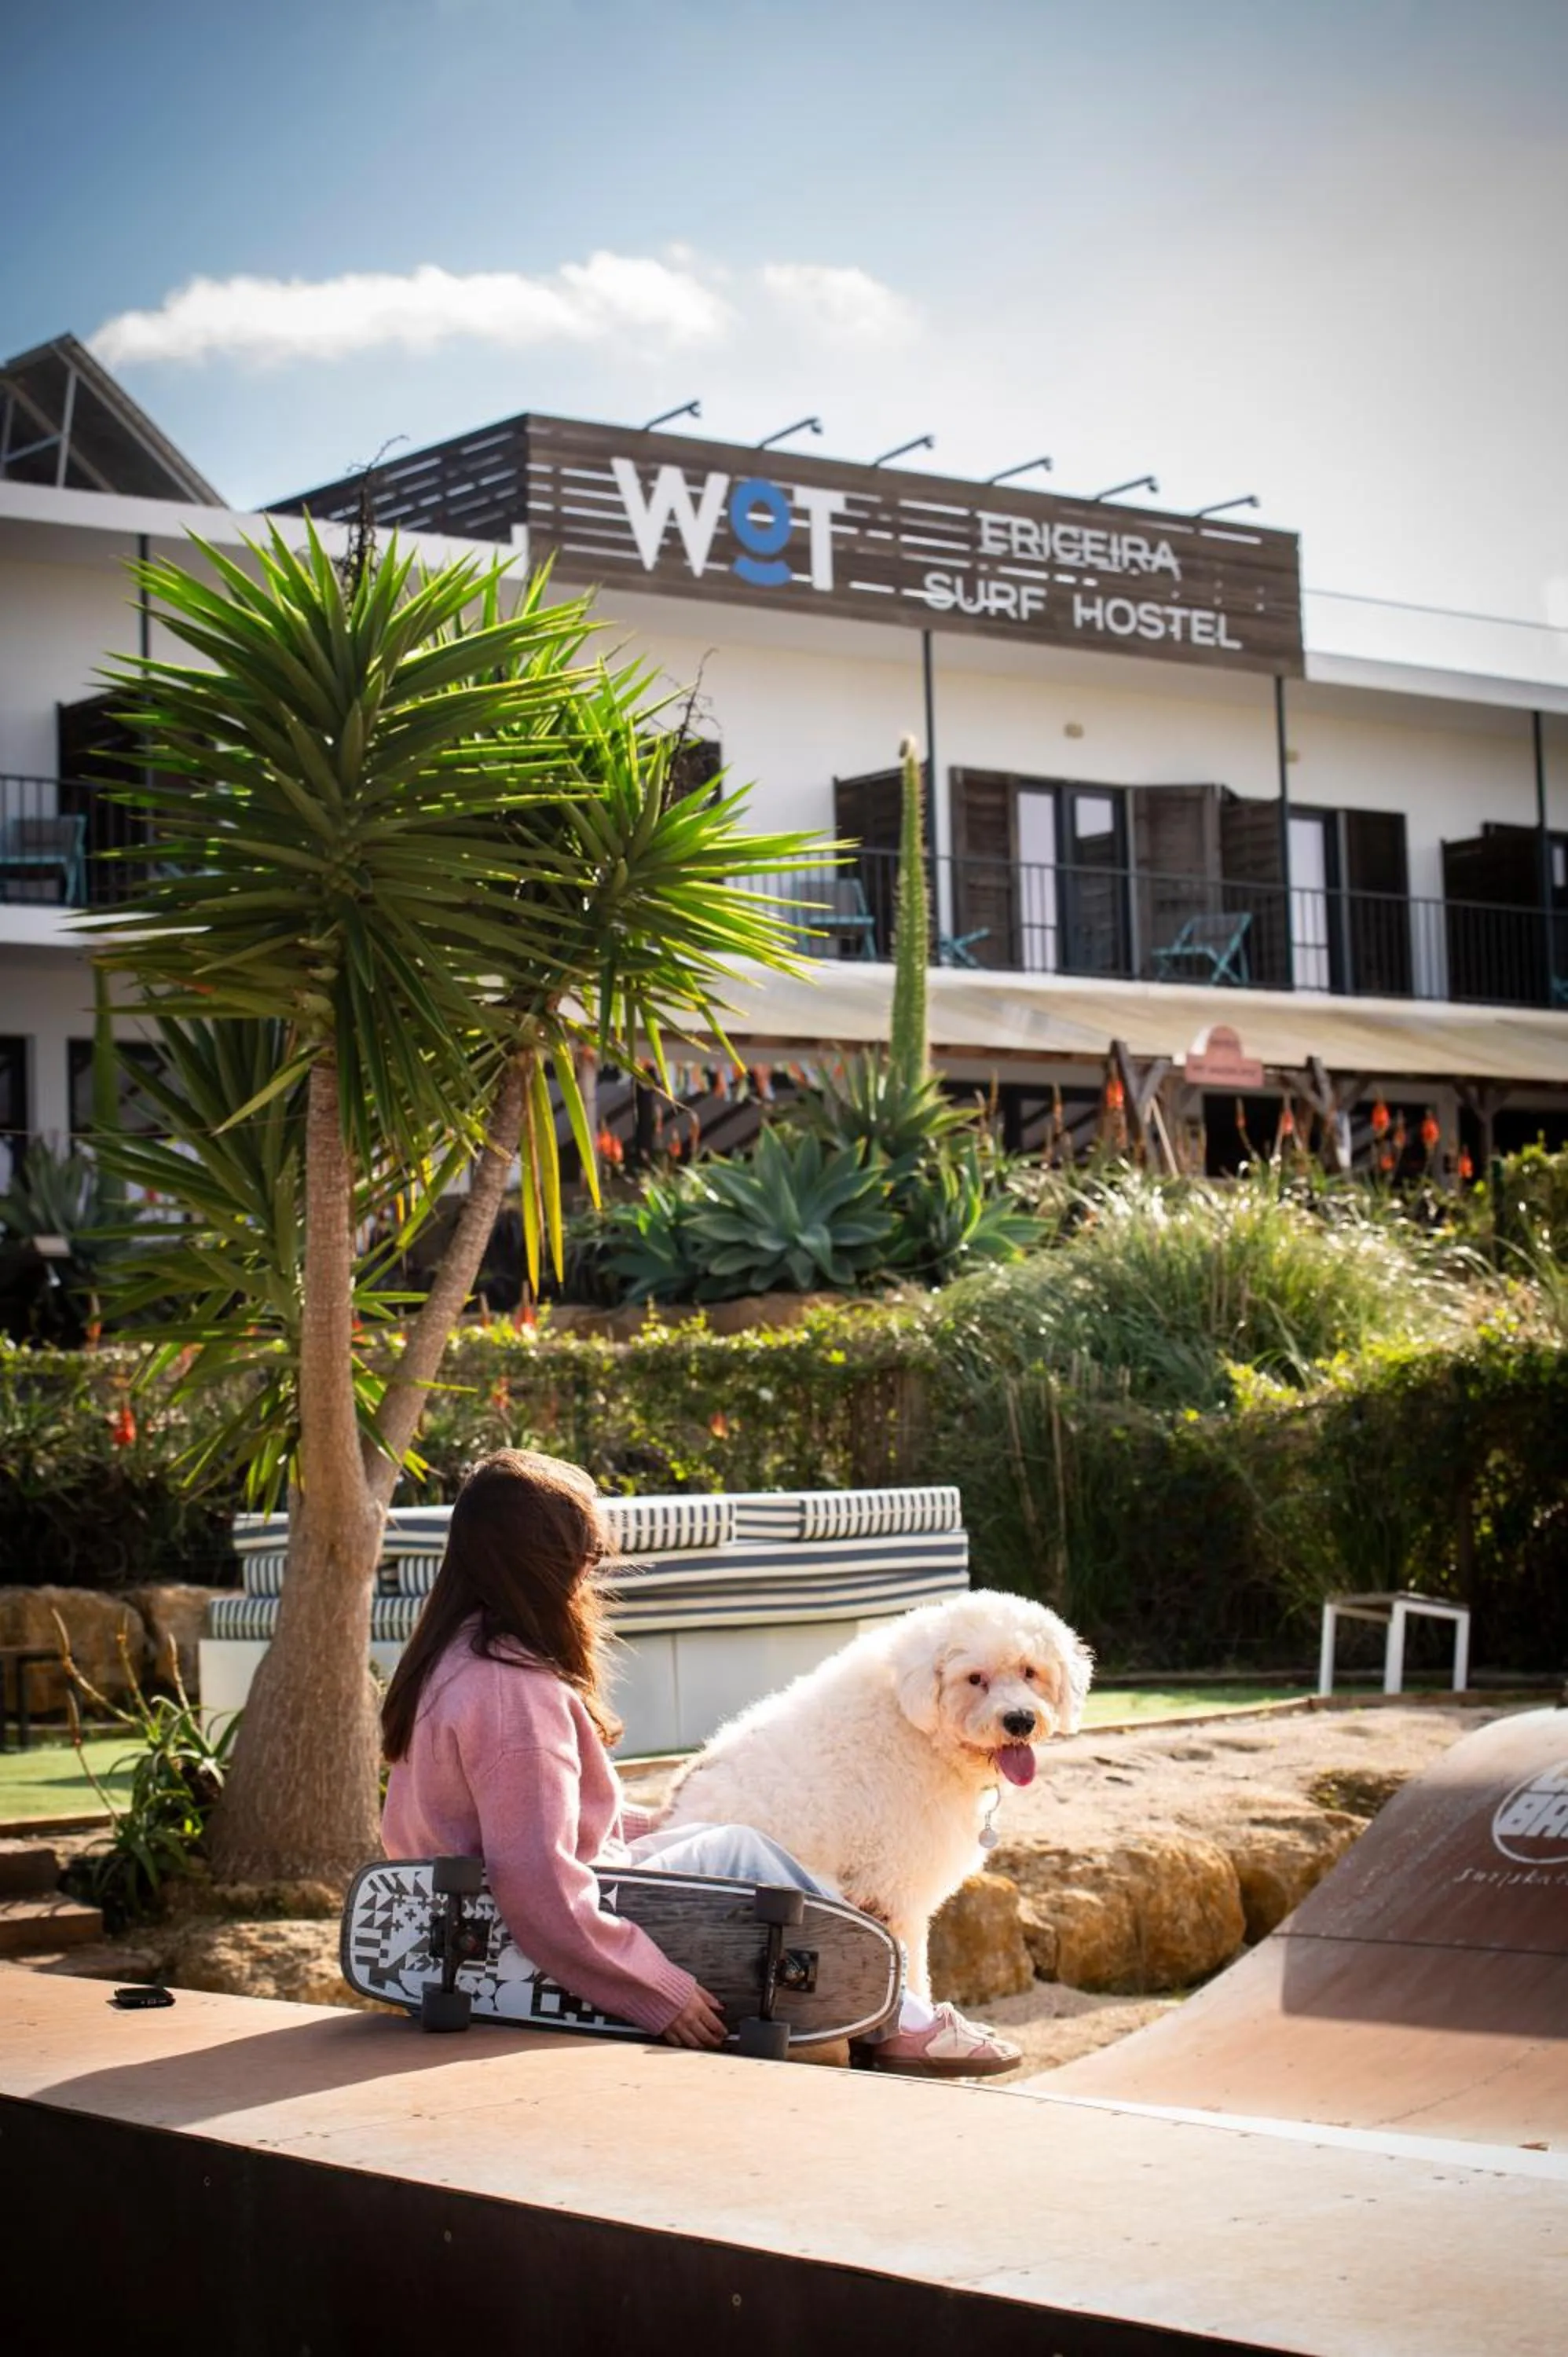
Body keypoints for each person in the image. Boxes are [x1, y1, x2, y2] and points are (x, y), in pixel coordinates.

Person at [381, 1449, 1020, 2074]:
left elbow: (515, 1820)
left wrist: (642, 1827)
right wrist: (657, 1990)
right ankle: (896, 2023)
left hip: (460, 1932)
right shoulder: (513, 1692)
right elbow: (538, 1882)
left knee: (711, 1841)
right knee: (742, 1853)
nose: (590, 1576)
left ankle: (883, 2001)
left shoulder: (455, 1659)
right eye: (587, 1557)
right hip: (510, 1945)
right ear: (544, 1564)